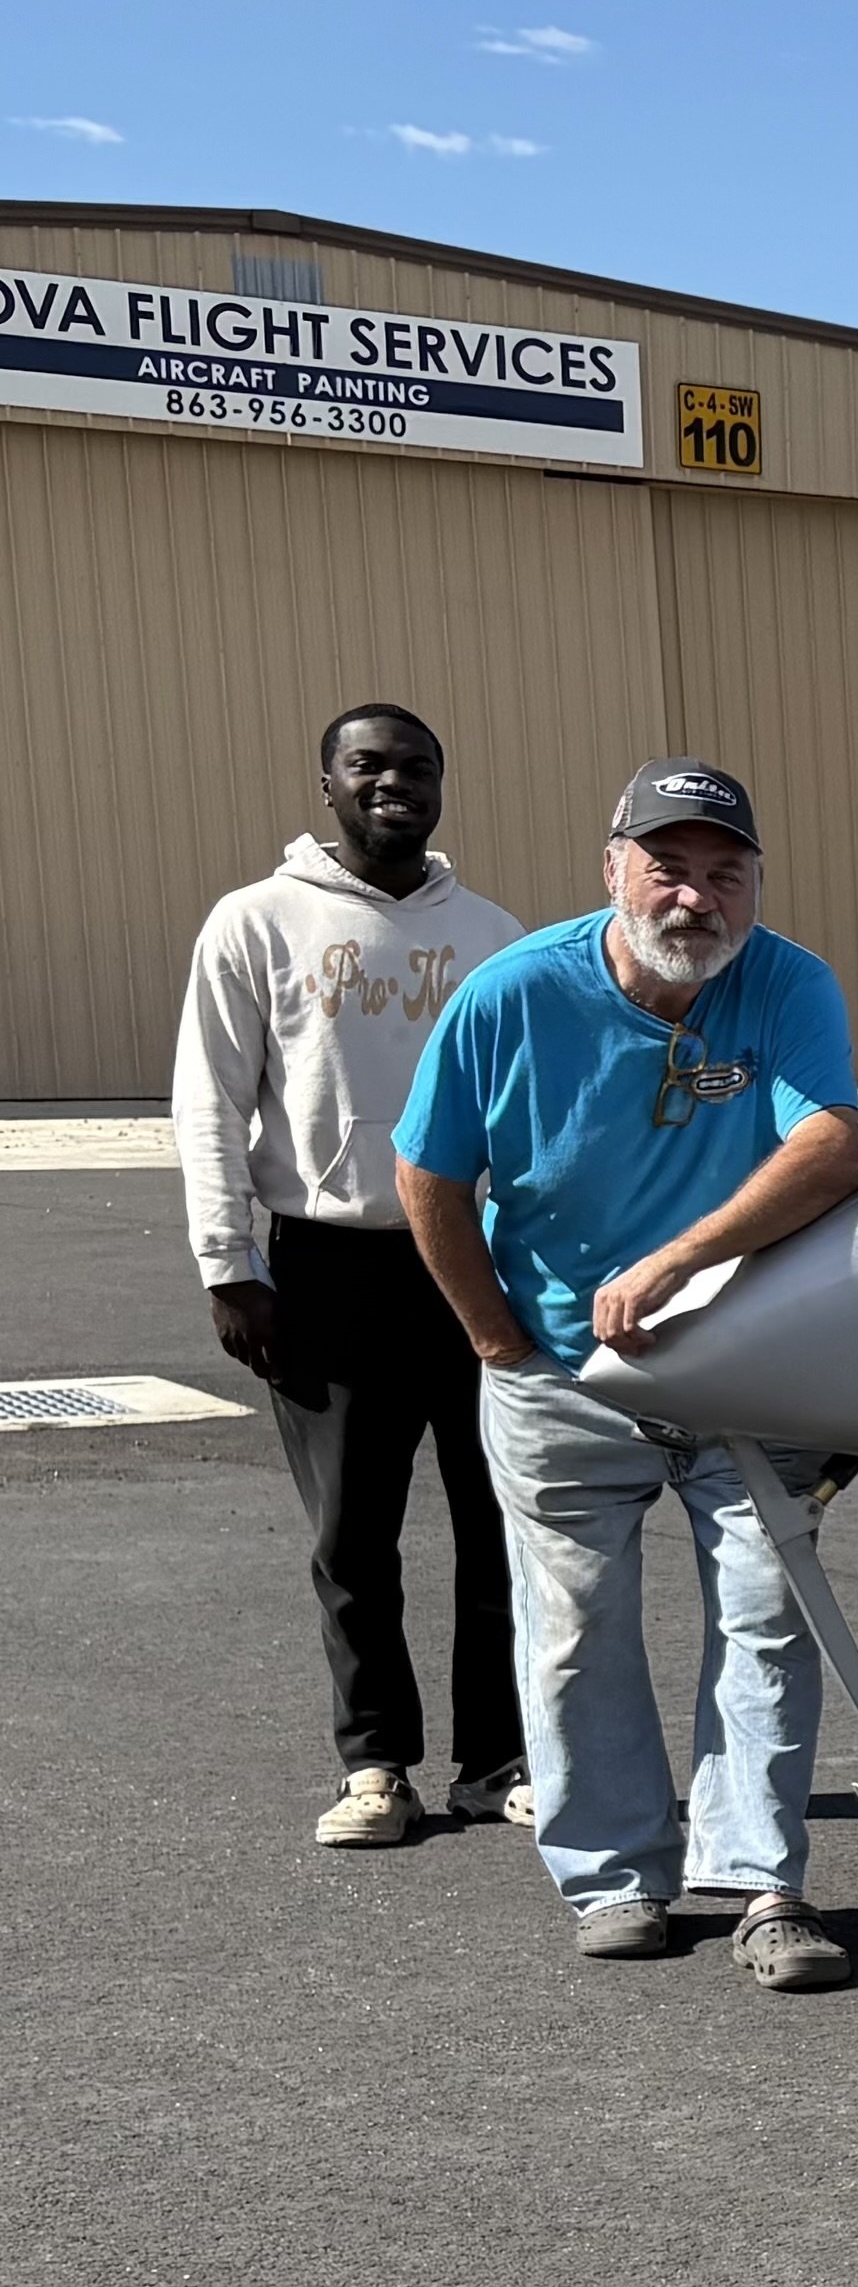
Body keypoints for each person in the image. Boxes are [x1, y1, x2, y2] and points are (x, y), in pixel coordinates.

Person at [392, 761, 858, 1988]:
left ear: (755, 883)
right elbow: (429, 1178)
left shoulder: (787, 982)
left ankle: (761, 1883)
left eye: (726, 872)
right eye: (667, 865)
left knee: (771, 1612)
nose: (695, 896)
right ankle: (614, 1876)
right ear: (612, 867)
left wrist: (680, 1259)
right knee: (571, 1633)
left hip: (743, 1363)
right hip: (559, 1369)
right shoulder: (508, 995)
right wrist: (498, 1341)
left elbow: (828, 1146)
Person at [175, 704, 528, 1849]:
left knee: (502, 1522)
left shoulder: (491, 935)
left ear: (441, 783)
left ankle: (500, 1757)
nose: (393, 783)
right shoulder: (256, 921)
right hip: (325, 1265)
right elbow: (210, 1103)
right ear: (324, 781)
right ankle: (377, 1765)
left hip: (472, 1265)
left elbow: (527, 1115)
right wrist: (230, 1264)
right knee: (351, 1535)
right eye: (367, 765)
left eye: (416, 766)